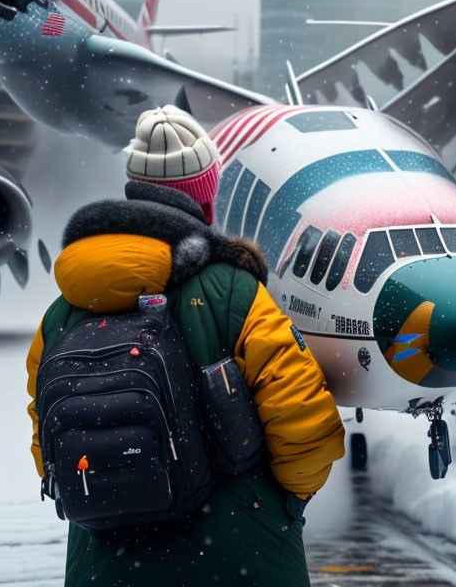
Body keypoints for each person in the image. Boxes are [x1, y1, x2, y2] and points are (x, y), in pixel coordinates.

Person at [25, 105, 345, 587]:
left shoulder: (64, 311)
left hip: (106, 561)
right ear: (206, 199)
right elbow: (304, 421)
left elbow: (44, 438)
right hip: (240, 552)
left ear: (133, 190)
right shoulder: (234, 293)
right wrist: (283, 505)